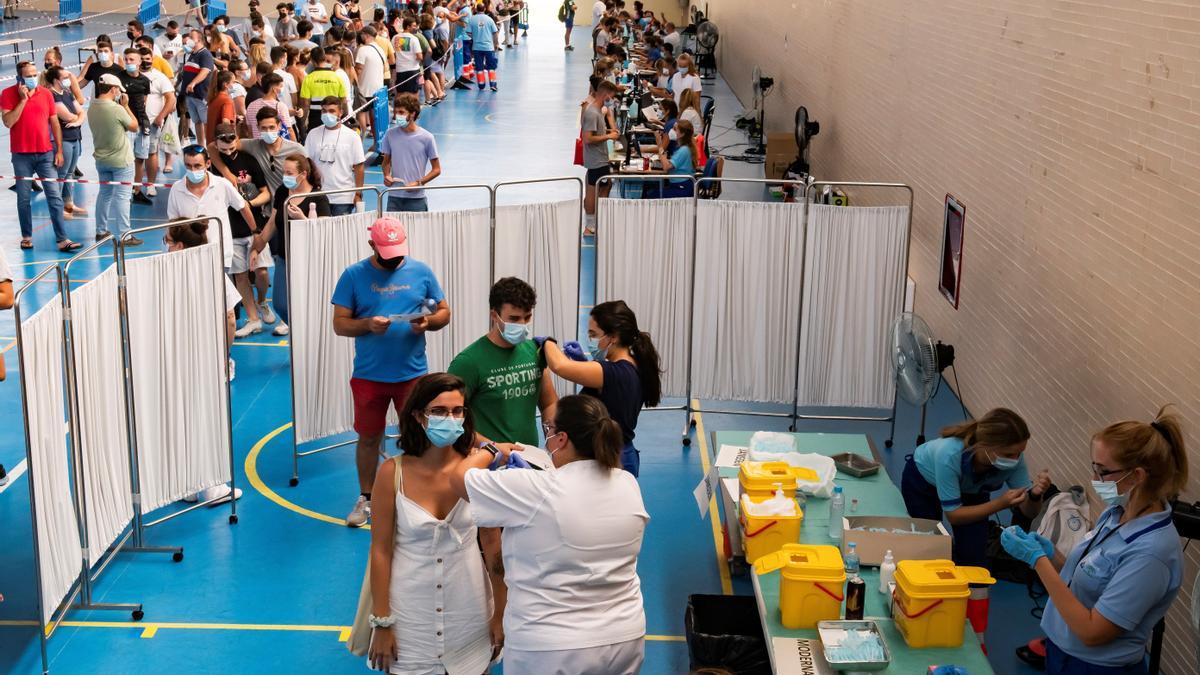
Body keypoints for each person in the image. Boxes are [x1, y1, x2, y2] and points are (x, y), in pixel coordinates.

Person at [449, 394, 649, 673]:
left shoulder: (536, 488)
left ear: (562, 439)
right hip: (625, 636)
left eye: (549, 430)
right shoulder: (627, 483)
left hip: (552, 646)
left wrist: (491, 450)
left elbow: (459, 479)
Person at [1001, 407, 1189, 674]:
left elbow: (1093, 632)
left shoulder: (1151, 554)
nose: (1094, 480)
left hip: (1096, 667)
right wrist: (1053, 556)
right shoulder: (1117, 514)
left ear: (1137, 476)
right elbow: (1091, 577)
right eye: (1093, 468)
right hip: (1063, 651)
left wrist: (1037, 561)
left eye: (1103, 472)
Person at [366, 373, 506, 674]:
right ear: (418, 416)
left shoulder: (477, 471)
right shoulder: (392, 474)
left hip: (470, 613)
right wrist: (382, 621)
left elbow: (493, 546)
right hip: (410, 619)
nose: (450, 418)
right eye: (439, 411)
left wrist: (501, 613)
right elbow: (380, 551)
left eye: (457, 411)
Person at [331, 216, 452, 527]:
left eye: (398, 252)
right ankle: (366, 497)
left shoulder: (421, 271)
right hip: (369, 375)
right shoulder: (353, 276)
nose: (395, 258)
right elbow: (340, 324)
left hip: (412, 375)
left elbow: (443, 312)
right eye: (388, 253)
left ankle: (418, 494)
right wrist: (367, 325)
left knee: (418, 435)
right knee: (369, 438)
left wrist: (429, 322)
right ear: (372, 244)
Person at [901, 408, 1052, 567]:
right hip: (923, 482)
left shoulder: (1014, 460)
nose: (1015, 460)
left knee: (974, 558)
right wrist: (1000, 504)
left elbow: (1030, 512)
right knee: (928, 543)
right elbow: (954, 515)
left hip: (971, 489)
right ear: (985, 445)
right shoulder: (949, 454)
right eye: (1008, 454)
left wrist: (1035, 495)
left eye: (1019, 453)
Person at [541, 301, 661, 476]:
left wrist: (547, 343)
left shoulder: (614, 372)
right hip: (622, 454)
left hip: (609, 459)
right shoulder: (634, 365)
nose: (590, 340)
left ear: (612, 337)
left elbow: (559, 366)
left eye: (593, 335)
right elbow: (610, 393)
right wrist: (584, 363)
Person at [448, 277, 557, 451]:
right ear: (494, 316)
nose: (521, 324)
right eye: (514, 319)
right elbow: (452, 422)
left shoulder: (535, 351)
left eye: (526, 317)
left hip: (530, 458)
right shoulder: (467, 362)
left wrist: (553, 438)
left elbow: (549, 402)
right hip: (488, 460)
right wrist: (493, 448)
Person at [212, 125, 275, 337]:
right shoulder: (212, 165)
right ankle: (253, 319)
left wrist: (249, 203)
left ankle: (261, 301)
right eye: (223, 147)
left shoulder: (249, 161)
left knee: (262, 271)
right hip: (231, 231)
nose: (228, 151)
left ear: (237, 140)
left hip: (254, 226)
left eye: (231, 146)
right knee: (240, 276)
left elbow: (266, 193)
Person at [3, 62, 73, 251]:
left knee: (54, 196)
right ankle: (26, 236)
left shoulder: (46, 93)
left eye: (35, 74)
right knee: (24, 198)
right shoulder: (7, 94)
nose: (34, 77)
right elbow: (8, 122)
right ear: (19, 78)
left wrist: (58, 150)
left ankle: (62, 239)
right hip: (21, 156)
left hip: (45, 154)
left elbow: (55, 123)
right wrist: (23, 100)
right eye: (29, 75)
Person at [167, 145, 257, 273]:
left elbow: (242, 207)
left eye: (197, 166)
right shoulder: (176, 189)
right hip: (188, 256)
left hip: (219, 254)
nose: (192, 170)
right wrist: (171, 246)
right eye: (188, 166)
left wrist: (256, 233)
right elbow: (173, 223)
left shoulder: (222, 184)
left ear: (208, 163)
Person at [86, 74, 143, 246]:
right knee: (122, 197)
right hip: (121, 161)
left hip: (101, 160)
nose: (119, 93)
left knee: (104, 195)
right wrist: (126, 106)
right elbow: (134, 126)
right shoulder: (116, 109)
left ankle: (100, 231)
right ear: (113, 89)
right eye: (118, 89)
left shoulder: (92, 107)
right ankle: (125, 234)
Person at [213, 107, 305, 196]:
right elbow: (212, 147)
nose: (268, 131)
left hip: (292, 203)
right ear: (258, 127)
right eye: (264, 128)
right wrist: (227, 174)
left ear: (279, 126)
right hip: (268, 209)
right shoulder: (253, 145)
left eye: (272, 127)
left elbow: (310, 177)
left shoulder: (296, 149)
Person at [304, 96, 365, 216]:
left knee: (340, 233)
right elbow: (307, 163)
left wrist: (358, 194)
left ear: (340, 113)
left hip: (343, 197)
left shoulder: (352, 136)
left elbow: (359, 167)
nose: (327, 114)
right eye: (324, 111)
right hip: (318, 195)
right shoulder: (312, 134)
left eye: (332, 111)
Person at [380, 93, 441, 212]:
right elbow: (386, 162)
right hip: (394, 197)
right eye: (396, 112)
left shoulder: (427, 138)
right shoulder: (390, 134)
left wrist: (419, 182)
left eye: (401, 113)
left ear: (412, 114)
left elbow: (436, 169)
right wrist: (386, 175)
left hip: (417, 199)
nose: (397, 116)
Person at [46, 67, 87, 227]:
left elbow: (81, 112)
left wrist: (77, 120)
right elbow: (67, 115)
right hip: (64, 140)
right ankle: (57, 209)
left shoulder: (67, 93)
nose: (68, 79)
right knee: (61, 174)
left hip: (75, 136)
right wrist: (77, 118)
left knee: (69, 173)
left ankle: (69, 205)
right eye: (65, 77)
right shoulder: (52, 96)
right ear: (56, 80)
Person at [581, 80, 620, 234]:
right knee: (593, 191)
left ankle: (594, 220)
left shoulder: (598, 111)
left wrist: (609, 131)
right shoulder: (592, 113)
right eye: (611, 96)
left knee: (605, 185)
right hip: (596, 160)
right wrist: (609, 136)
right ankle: (590, 226)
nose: (612, 99)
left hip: (600, 158)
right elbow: (588, 139)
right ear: (605, 95)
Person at [298, 47, 347, 138]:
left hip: (315, 117)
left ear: (312, 60)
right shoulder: (337, 77)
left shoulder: (308, 79)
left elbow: (305, 104)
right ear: (324, 58)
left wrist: (301, 127)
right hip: (334, 115)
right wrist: (345, 119)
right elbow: (343, 101)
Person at [644, 118, 698, 198]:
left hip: (681, 188)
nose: (671, 131)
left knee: (651, 195)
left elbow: (666, 167)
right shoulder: (684, 147)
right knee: (648, 185)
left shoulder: (684, 150)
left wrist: (660, 145)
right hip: (679, 185)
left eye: (675, 129)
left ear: (682, 134)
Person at [180, 29, 215, 148]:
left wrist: (193, 83)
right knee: (197, 122)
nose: (188, 39)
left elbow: (205, 71)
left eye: (191, 37)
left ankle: (210, 147)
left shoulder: (205, 54)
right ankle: (201, 145)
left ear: (199, 39)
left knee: (206, 122)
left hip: (201, 95)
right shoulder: (192, 54)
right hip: (190, 95)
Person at [466, 4, 499, 91]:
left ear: (476, 9)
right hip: (488, 47)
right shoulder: (489, 19)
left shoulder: (472, 19)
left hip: (477, 47)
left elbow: (468, 33)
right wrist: (496, 44)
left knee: (479, 67)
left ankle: (481, 85)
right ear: (484, 9)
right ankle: (493, 84)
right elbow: (495, 33)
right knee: (491, 66)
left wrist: (475, 37)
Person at [391, 17, 424, 95]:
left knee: (400, 93)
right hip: (412, 70)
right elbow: (420, 56)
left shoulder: (395, 38)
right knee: (414, 93)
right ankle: (414, 107)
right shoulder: (414, 39)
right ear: (408, 26)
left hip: (400, 70)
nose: (416, 28)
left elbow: (393, 53)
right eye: (414, 26)